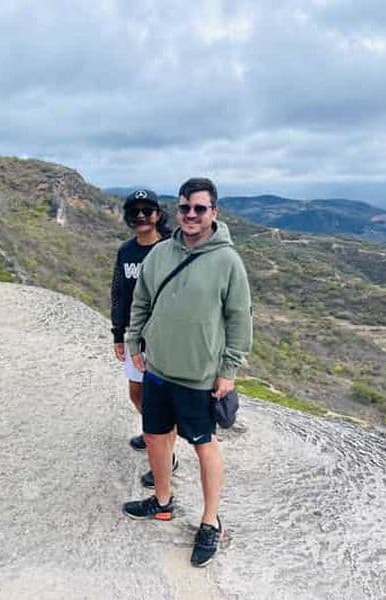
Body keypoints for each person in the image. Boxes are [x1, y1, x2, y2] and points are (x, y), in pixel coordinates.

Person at [121, 177, 253, 568]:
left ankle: (210, 523)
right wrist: (134, 342)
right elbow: (141, 300)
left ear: (214, 212)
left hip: (199, 375)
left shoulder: (228, 260)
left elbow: (239, 318)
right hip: (159, 369)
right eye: (184, 208)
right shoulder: (161, 253)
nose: (191, 215)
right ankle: (162, 503)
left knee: (202, 445)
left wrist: (228, 370)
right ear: (176, 211)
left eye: (199, 208)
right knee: (155, 437)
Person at [110, 189, 179, 482]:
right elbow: (119, 294)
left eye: (147, 210)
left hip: (166, 338)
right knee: (137, 393)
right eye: (134, 211)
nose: (140, 216)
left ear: (157, 214)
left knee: (161, 400)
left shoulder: (172, 250)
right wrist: (117, 333)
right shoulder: (126, 252)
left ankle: (166, 457)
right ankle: (153, 432)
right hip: (136, 337)